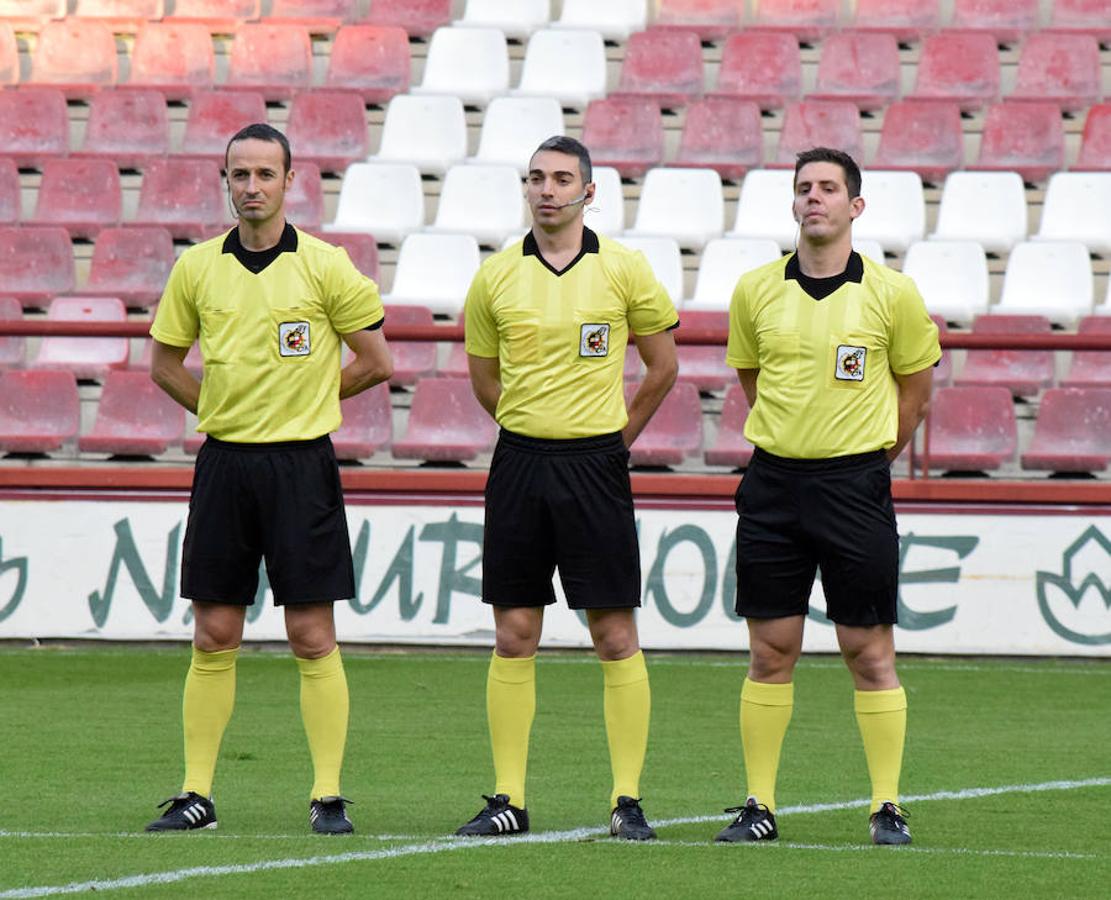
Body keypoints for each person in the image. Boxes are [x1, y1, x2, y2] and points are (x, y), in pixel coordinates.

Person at [144, 123, 392, 835]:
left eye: (264, 173)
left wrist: (305, 401)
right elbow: (164, 364)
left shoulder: (325, 266)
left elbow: (376, 361)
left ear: (291, 180)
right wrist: (219, 409)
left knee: (312, 633)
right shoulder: (197, 268)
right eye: (239, 174)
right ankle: (196, 793)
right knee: (214, 632)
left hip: (300, 465)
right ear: (226, 181)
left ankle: (327, 795)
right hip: (224, 463)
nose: (251, 185)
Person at [455, 136, 679, 841]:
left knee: (613, 634)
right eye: (534, 179)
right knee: (514, 632)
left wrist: (615, 441)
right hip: (519, 465)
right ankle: (508, 799)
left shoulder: (624, 269)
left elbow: (662, 365)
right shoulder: (495, 278)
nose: (545, 189)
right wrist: (530, 426)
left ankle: (626, 800)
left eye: (559, 179)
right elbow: (485, 378)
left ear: (589, 192)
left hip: (595, 468)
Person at [717, 147, 939, 846]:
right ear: (792, 203)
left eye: (827, 189)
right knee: (770, 650)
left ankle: (885, 805)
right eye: (802, 188)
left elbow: (915, 390)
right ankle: (758, 805)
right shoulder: (754, 290)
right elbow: (751, 378)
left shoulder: (890, 293)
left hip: (853, 485)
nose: (813, 198)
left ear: (854, 207)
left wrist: (868, 458)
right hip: (773, 484)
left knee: (867, 649)